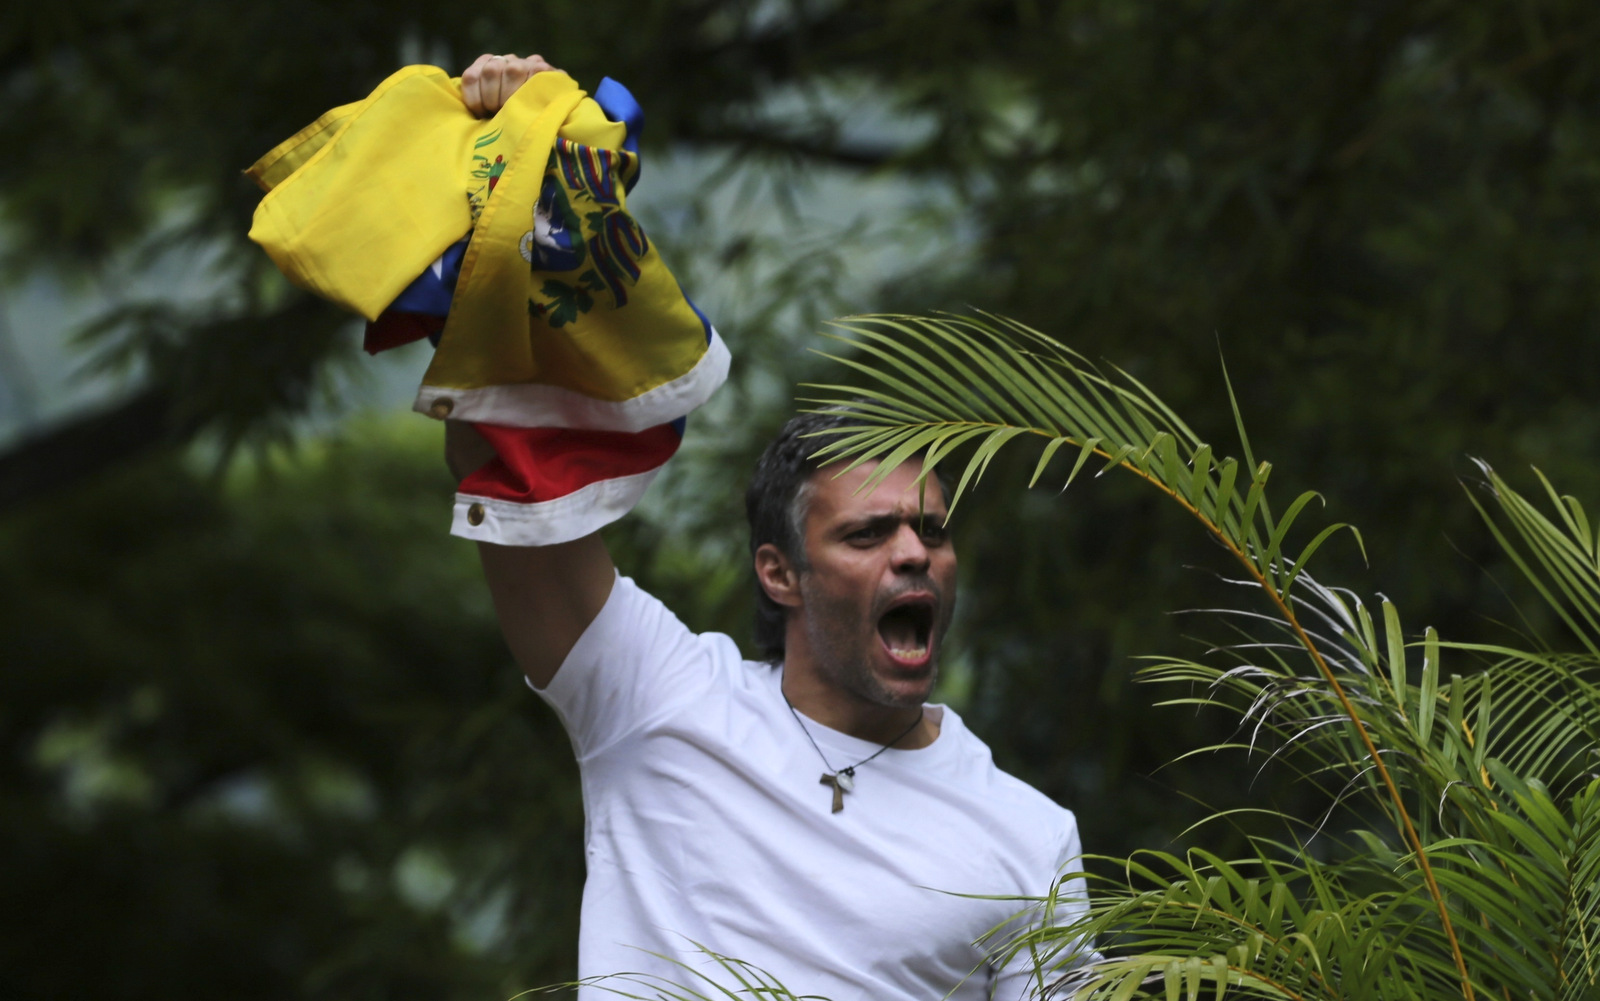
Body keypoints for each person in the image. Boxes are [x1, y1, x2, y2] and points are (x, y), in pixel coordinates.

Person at [449, 53, 1095, 1001]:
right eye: (868, 534)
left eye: (931, 530)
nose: (914, 551)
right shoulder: (658, 699)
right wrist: (502, 181)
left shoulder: (1029, 837)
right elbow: (507, 482)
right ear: (779, 572)